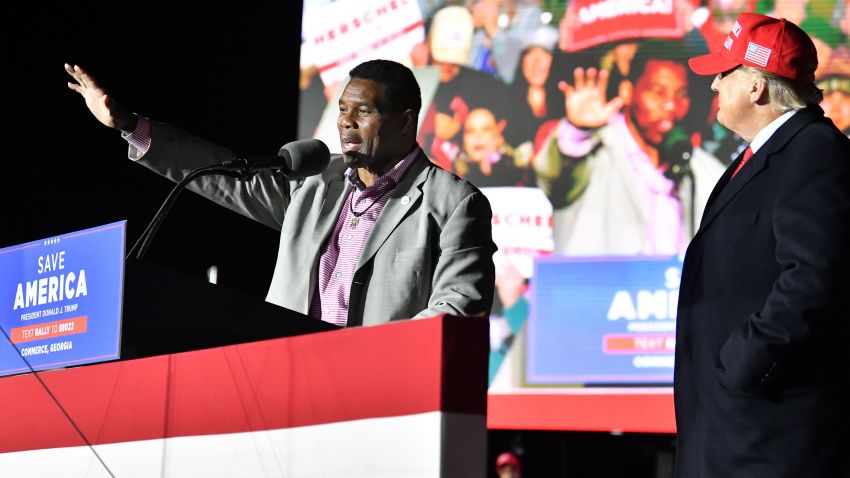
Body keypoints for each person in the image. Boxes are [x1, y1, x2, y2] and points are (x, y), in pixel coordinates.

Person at [65, 59, 497, 328]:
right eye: (342, 110)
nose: (345, 123)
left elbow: (457, 310)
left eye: (363, 112)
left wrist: (374, 358)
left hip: (381, 394)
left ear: (405, 122)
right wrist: (128, 126)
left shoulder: (453, 203)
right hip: (288, 381)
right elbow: (230, 180)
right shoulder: (316, 184)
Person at [676, 12, 850, 477]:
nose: (714, 85)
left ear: (757, 86)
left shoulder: (814, 150)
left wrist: (745, 363)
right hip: (732, 433)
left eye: (724, 72)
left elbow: (816, 277)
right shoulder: (765, 156)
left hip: (769, 440)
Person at [534, 41, 725, 256]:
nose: (671, 106)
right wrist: (578, 128)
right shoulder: (591, 150)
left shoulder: (698, 166)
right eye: (657, 93)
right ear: (628, 91)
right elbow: (555, 177)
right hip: (594, 286)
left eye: (680, 94)